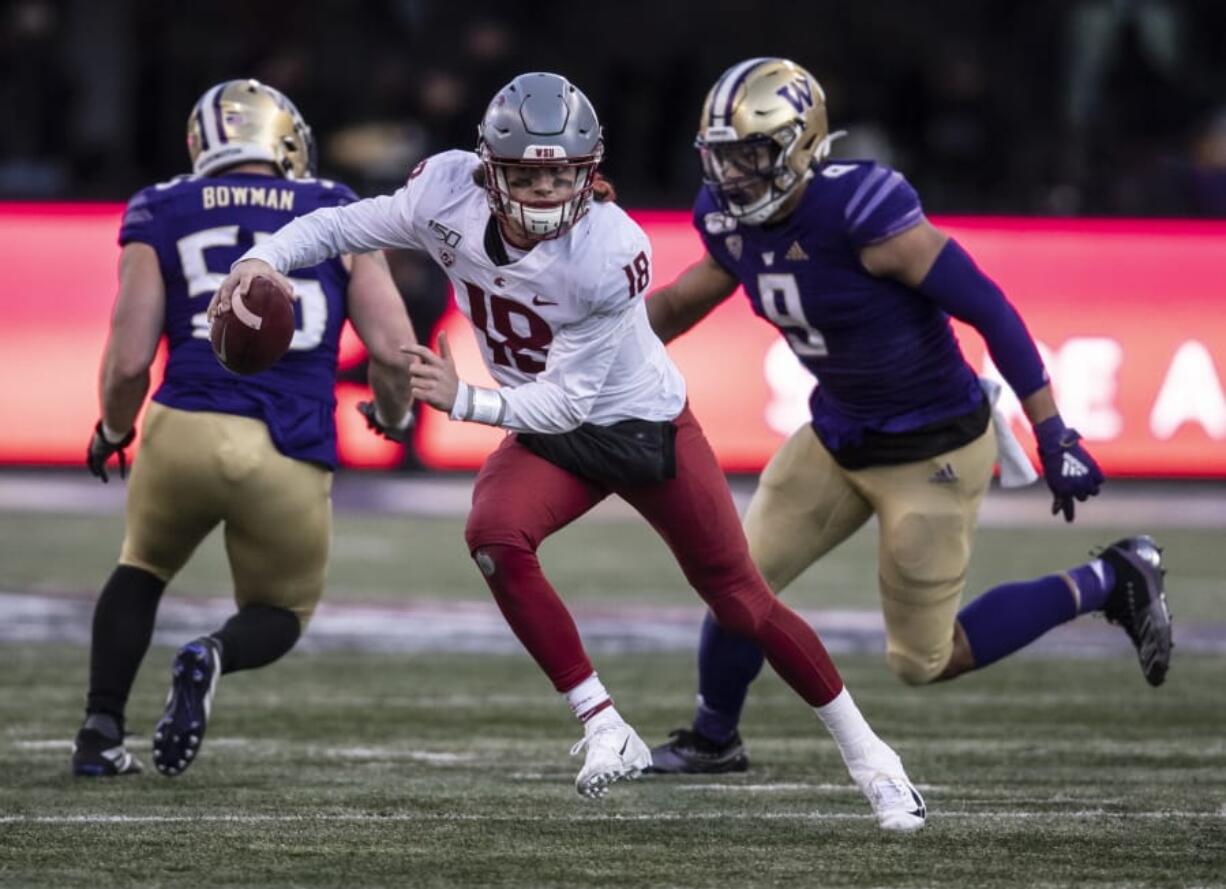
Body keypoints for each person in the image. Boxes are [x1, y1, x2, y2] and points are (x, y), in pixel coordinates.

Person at [212, 72, 927, 831]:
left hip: (638, 424)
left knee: (740, 599)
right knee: (494, 534)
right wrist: (263, 261)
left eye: (562, 172)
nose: (549, 189)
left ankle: (875, 761)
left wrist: (464, 401)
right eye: (529, 173)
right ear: (490, 169)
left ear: (588, 170)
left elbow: (571, 402)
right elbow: (344, 226)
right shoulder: (444, 193)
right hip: (546, 427)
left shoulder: (609, 249)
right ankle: (603, 723)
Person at [642, 58, 1173, 775]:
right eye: (722, 158)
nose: (732, 175)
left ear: (801, 146)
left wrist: (1054, 431)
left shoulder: (863, 213)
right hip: (835, 435)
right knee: (737, 583)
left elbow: (989, 308)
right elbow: (677, 304)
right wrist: (581, 352)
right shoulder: (730, 224)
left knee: (925, 658)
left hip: (932, 451)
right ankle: (714, 737)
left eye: (750, 156)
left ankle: (1113, 578)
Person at [73, 79, 416, 779]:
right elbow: (392, 348)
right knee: (280, 609)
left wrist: (112, 429)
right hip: (289, 444)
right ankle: (213, 652)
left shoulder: (160, 205)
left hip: (185, 425)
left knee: (140, 568)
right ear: (287, 139)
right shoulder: (333, 205)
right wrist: (393, 414)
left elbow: (130, 355)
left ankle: (100, 732)